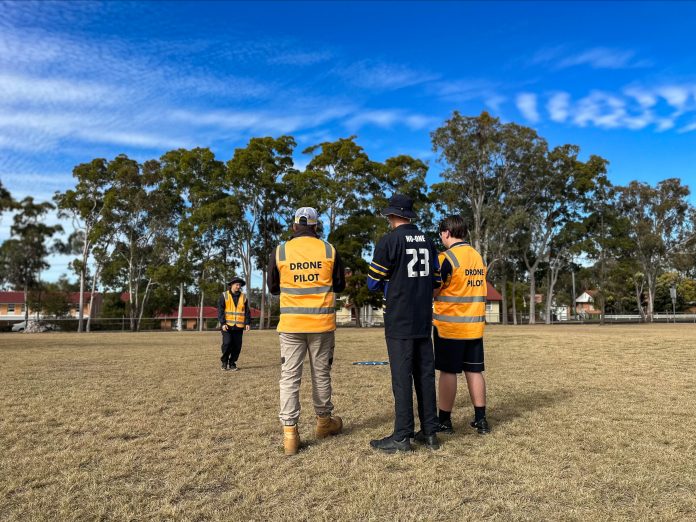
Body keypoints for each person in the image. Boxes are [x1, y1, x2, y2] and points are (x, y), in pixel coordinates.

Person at [267, 207, 346, 456]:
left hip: (291, 325)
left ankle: (290, 433)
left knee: (290, 377)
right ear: (315, 227)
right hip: (321, 325)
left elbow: (272, 288)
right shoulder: (328, 250)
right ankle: (324, 423)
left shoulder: (280, 251)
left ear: (294, 227)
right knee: (320, 374)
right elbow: (340, 284)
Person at [367, 194, 441, 453]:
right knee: (425, 375)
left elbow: (373, 281)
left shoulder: (389, 241)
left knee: (402, 378)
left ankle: (402, 436)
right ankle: (431, 432)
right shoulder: (428, 241)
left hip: (399, 319)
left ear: (392, 215)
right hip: (423, 318)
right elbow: (437, 281)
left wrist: (392, 283)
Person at [433, 215, 491, 435]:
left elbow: (436, 290)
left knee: (448, 372)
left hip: (449, 327)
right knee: (474, 371)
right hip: (474, 326)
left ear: (447, 233)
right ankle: (481, 420)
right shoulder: (477, 257)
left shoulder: (445, 258)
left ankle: (445, 421)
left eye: (441, 235)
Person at [217, 277, 251, 371]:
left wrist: (247, 323)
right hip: (227, 326)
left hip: (239, 327)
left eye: (239, 285)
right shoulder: (224, 295)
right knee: (227, 343)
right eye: (236, 284)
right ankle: (224, 362)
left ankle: (232, 363)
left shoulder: (243, 297)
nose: (238, 286)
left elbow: (247, 311)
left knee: (237, 346)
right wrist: (223, 323)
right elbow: (220, 310)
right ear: (231, 285)